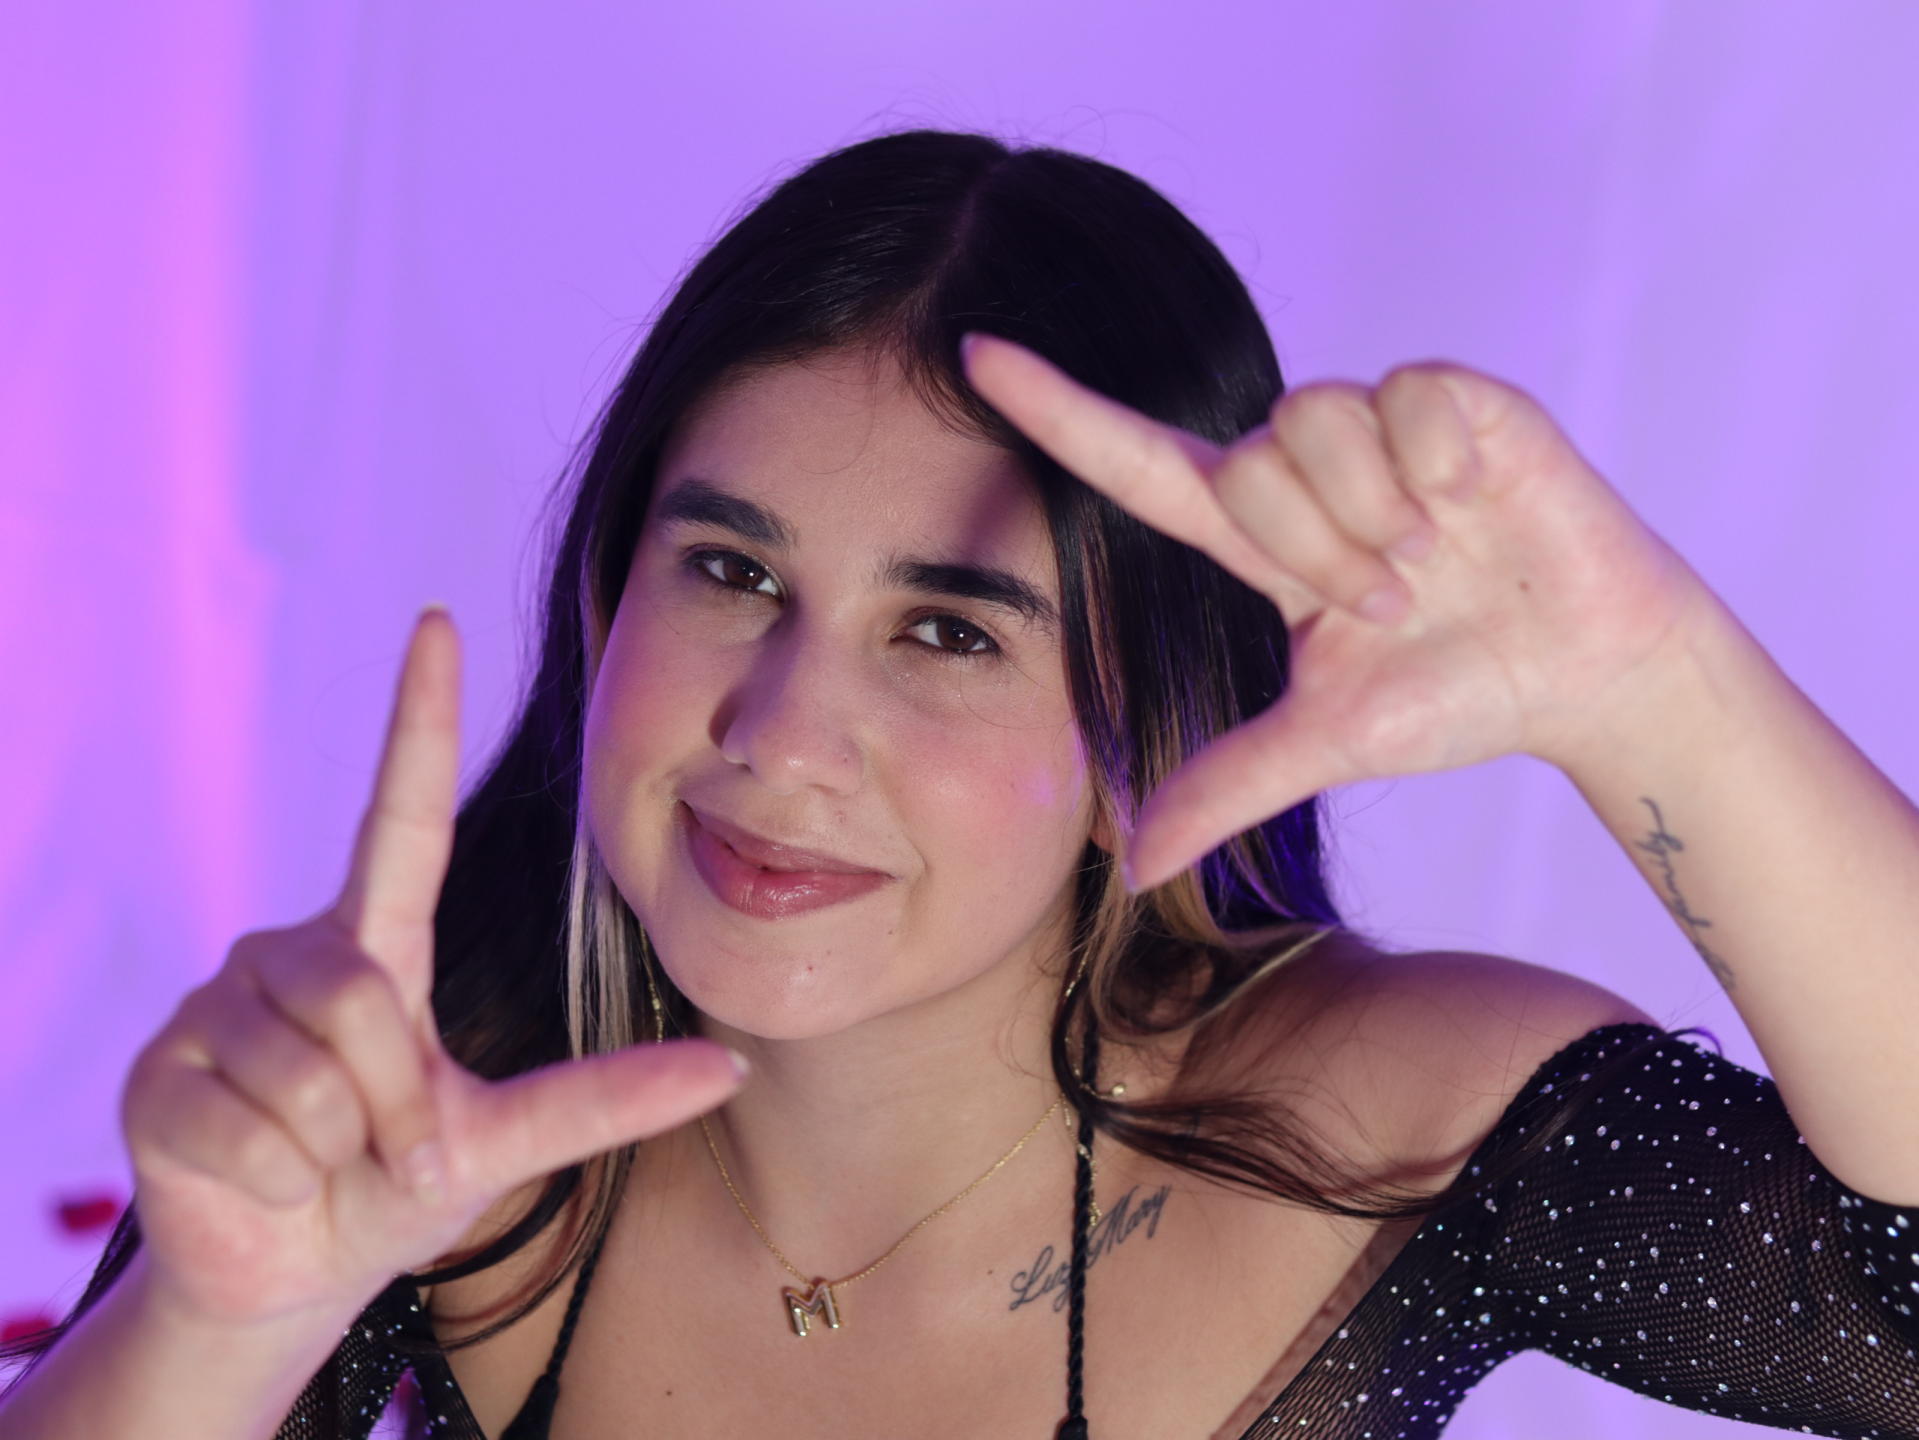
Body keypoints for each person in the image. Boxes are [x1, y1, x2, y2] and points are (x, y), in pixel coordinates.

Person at [2, 127, 1915, 1440]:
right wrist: (213, 1330)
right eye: (733, 572)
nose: (779, 734)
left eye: (948, 631)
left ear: (1150, 722)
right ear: (605, 597)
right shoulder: (407, 1104)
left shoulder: (1388, 1116)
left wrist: (1658, 692)